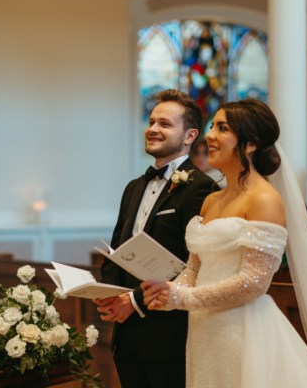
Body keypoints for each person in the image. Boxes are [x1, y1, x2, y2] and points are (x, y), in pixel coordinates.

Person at [141, 99, 307, 387]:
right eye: (212, 127)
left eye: (222, 128)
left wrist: (183, 298)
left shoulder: (264, 199)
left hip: (242, 328)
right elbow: (195, 268)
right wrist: (169, 291)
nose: (209, 136)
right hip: (204, 329)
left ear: (249, 144)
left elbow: (255, 281)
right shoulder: (211, 200)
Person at [95, 89, 215, 388]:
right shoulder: (134, 187)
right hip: (126, 333)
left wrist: (134, 300)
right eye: (151, 121)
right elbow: (119, 246)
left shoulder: (202, 188)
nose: (152, 129)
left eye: (165, 124)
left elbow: (194, 264)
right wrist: (107, 291)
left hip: (168, 334)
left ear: (189, 135)